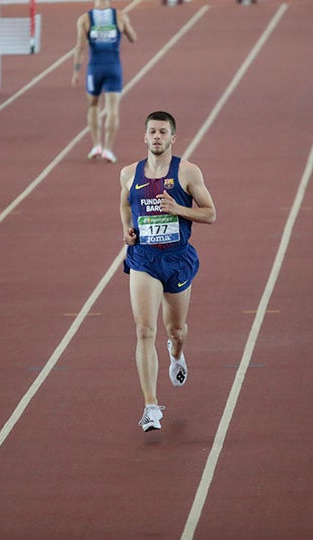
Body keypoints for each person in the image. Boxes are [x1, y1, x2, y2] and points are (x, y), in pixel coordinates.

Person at [120, 111, 216, 431]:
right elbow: (125, 203)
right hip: (144, 259)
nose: (157, 137)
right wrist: (127, 229)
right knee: (144, 330)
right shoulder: (128, 173)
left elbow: (210, 213)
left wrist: (178, 209)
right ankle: (151, 406)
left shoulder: (187, 171)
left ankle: (176, 353)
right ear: (144, 137)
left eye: (163, 132)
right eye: (152, 131)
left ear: (173, 138)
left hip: (176, 258)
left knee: (175, 329)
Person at [72, 0, 137, 164]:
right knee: (112, 110)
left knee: (93, 106)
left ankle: (96, 145)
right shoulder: (120, 16)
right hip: (113, 67)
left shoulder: (85, 19)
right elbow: (133, 38)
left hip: (94, 69)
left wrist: (76, 71)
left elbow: (80, 47)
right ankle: (108, 149)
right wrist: (122, 30)